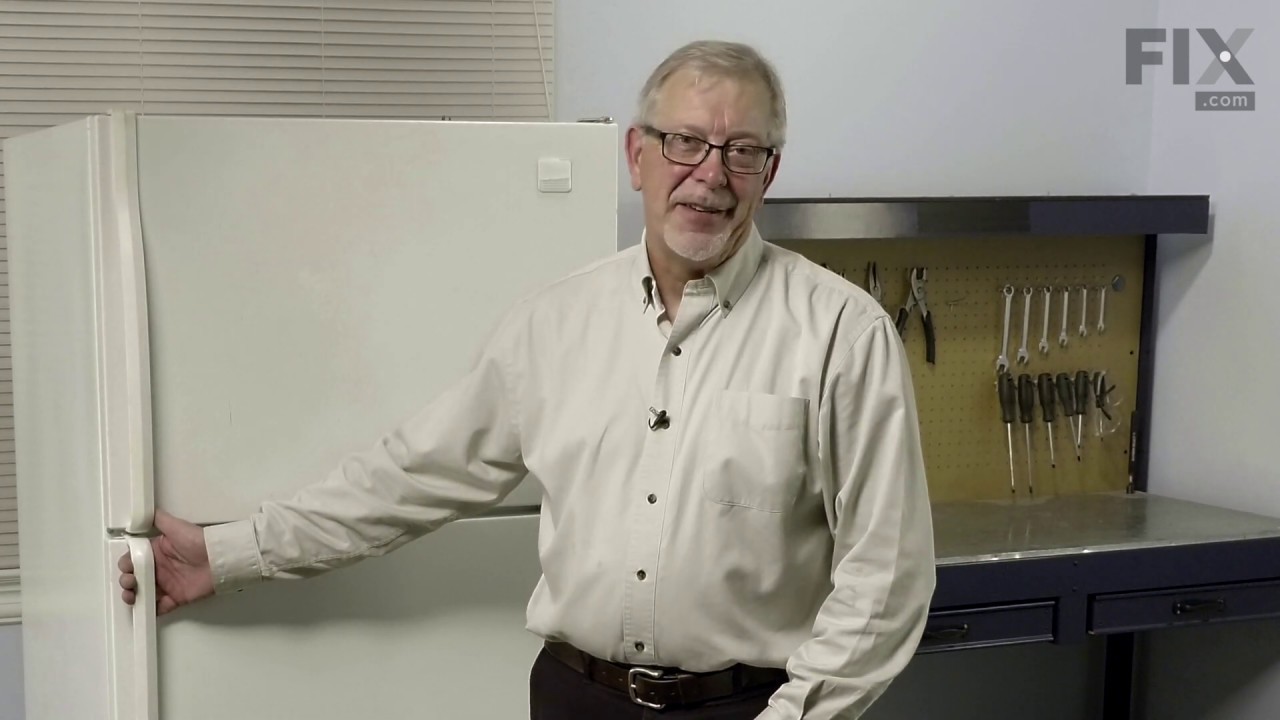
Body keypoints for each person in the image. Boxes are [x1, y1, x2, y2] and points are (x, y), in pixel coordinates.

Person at [119, 39, 936, 719]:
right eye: (684, 141)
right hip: (573, 700)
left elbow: (887, 574)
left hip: (747, 707)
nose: (710, 174)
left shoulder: (842, 332)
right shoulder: (555, 323)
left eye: (742, 151)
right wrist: (227, 554)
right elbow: (409, 476)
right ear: (636, 155)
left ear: (770, 171)